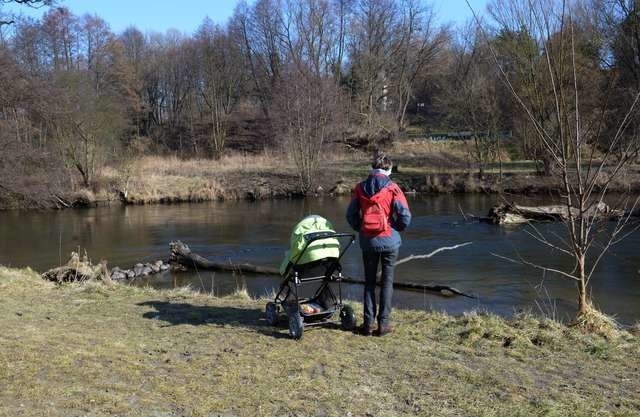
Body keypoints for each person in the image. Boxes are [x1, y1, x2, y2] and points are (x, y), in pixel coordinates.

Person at [346, 153, 411, 336]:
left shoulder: (359, 188)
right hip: (390, 241)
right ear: (389, 169)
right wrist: (395, 227)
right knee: (387, 283)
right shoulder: (393, 188)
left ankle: (367, 325)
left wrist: (362, 228)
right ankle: (383, 325)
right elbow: (405, 216)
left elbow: (350, 215)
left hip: (368, 242)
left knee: (369, 282)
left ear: (372, 168)